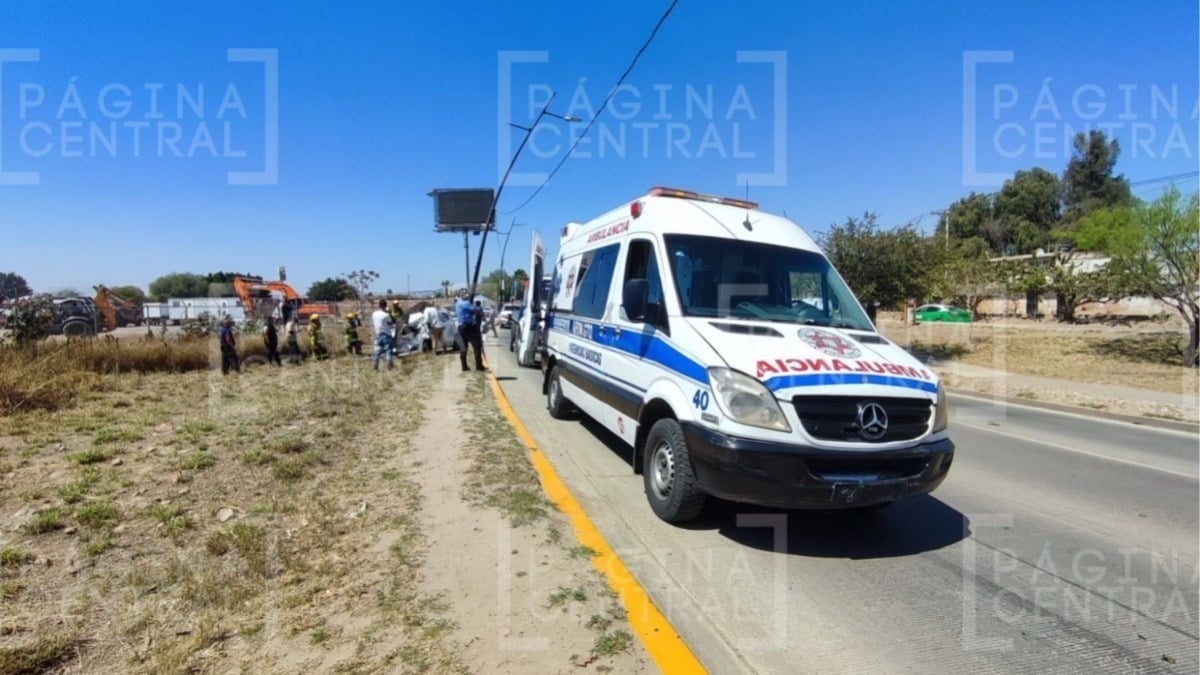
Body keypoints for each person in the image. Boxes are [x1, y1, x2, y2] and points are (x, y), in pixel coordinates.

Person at [456, 289, 485, 372]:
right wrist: (479, 309)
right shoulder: (466, 303)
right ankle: (479, 366)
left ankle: (464, 366)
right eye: (466, 294)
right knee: (477, 346)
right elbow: (475, 311)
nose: (467, 295)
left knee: (464, 347)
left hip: (461, 326)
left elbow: (469, 312)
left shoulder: (458, 303)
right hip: (468, 326)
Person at [372, 299, 396, 371]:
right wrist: (389, 312)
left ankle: (375, 367)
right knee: (388, 351)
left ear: (379, 305)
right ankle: (389, 365)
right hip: (386, 334)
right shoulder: (386, 315)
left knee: (377, 352)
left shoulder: (374, 314)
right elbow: (391, 322)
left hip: (378, 335)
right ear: (385, 306)